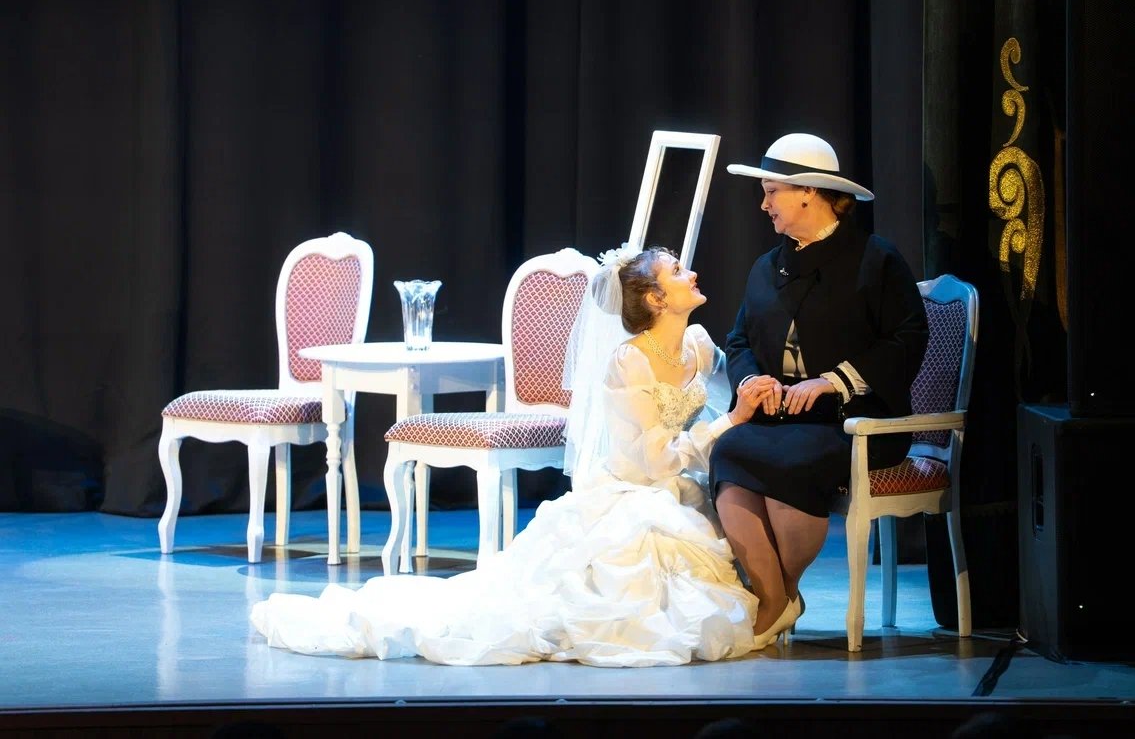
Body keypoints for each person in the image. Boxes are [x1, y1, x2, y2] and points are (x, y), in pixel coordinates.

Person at [250, 244, 769, 667]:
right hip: (637, 487)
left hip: (679, 484)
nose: (692, 273)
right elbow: (653, 460)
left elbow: (723, 397)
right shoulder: (629, 361)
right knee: (619, 596)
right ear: (656, 298)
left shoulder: (698, 344)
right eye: (678, 271)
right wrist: (730, 423)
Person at [711, 133, 929, 643]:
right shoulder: (768, 266)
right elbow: (739, 339)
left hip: (857, 421)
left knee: (791, 461)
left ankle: (777, 597)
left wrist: (833, 381)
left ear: (808, 192)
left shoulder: (875, 259)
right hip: (783, 418)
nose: (764, 205)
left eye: (772, 192)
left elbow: (908, 337)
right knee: (729, 450)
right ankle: (775, 596)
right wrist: (751, 381)